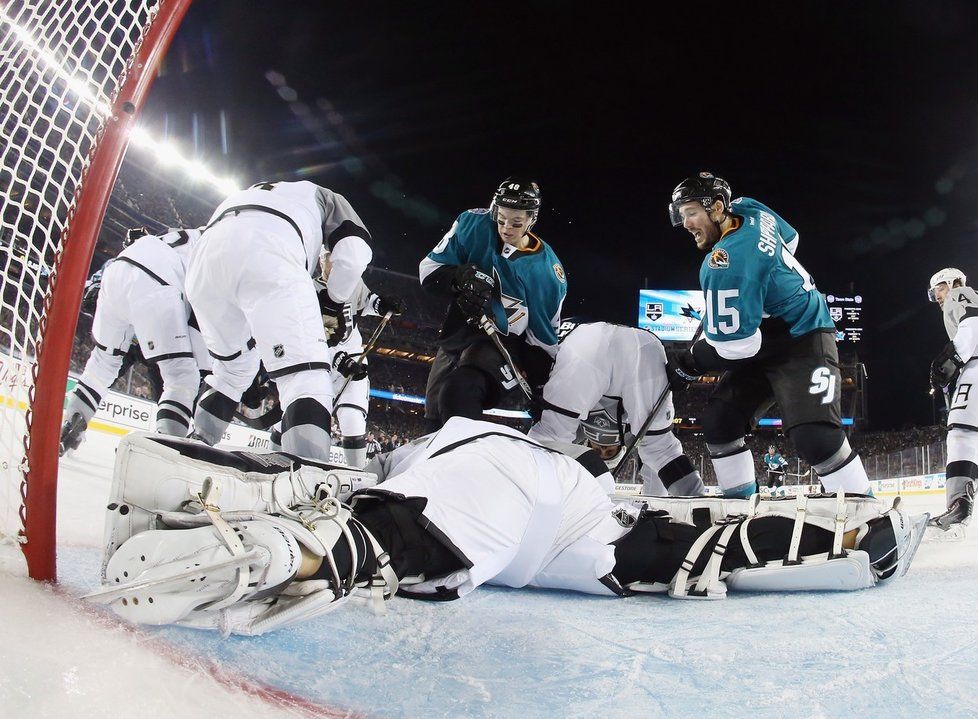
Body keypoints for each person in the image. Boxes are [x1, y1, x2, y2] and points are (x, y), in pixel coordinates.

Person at [91, 417, 926, 635]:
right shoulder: (593, 497)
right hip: (538, 511)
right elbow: (712, 544)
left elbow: (369, 478)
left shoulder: (444, 445)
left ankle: (250, 530)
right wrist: (851, 541)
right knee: (380, 540)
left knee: (362, 523)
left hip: (476, 483)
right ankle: (275, 547)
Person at [667, 172, 871, 498]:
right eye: (682, 214)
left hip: (805, 334)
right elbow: (790, 240)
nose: (685, 222)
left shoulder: (724, 263)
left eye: (691, 212)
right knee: (720, 423)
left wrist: (689, 363)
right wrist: (760, 287)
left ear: (717, 208)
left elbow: (737, 347)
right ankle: (739, 506)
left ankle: (868, 514)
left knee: (816, 436)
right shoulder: (749, 208)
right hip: (769, 331)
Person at [186, 180, 372, 462]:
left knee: (231, 373)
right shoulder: (326, 196)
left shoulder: (258, 190)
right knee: (306, 379)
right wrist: (335, 299)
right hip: (270, 248)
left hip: (204, 258)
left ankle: (194, 444)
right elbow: (354, 254)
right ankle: (307, 484)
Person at [419, 177, 566, 430]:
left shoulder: (546, 272)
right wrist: (458, 277)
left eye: (517, 223)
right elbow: (429, 273)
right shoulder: (472, 224)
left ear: (532, 219)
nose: (507, 228)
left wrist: (542, 385)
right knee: (433, 416)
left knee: (459, 391)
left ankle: (468, 461)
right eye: (501, 219)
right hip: (458, 333)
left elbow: (543, 339)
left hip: (504, 344)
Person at [60, 228, 209, 454]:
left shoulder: (180, 236)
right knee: (182, 377)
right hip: (157, 283)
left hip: (117, 272)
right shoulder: (216, 247)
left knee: (102, 365)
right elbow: (204, 308)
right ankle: (163, 453)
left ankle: (69, 429)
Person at [527, 320, 704, 496]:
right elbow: (655, 465)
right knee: (659, 448)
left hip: (589, 342)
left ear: (586, 447)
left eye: (598, 451)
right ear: (621, 447)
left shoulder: (577, 435)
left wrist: (542, 393)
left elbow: (553, 442)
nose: (604, 447)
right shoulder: (630, 438)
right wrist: (653, 504)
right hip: (642, 347)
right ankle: (698, 505)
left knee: (549, 438)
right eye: (610, 451)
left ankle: (529, 496)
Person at [320, 250, 405, 467]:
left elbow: (365, 299)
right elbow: (300, 336)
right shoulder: (304, 286)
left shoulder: (351, 280)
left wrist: (382, 305)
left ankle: (356, 476)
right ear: (321, 261)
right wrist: (335, 359)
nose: (339, 270)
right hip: (317, 365)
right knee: (298, 417)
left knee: (353, 420)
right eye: (333, 263)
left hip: (352, 358)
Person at [926, 267, 978, 531]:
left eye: (939, 290)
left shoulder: (960, 294)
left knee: (961, 433)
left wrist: (952, 358)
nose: (937, 297)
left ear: (951, 283)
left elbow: (974, 323)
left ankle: (959, 508)